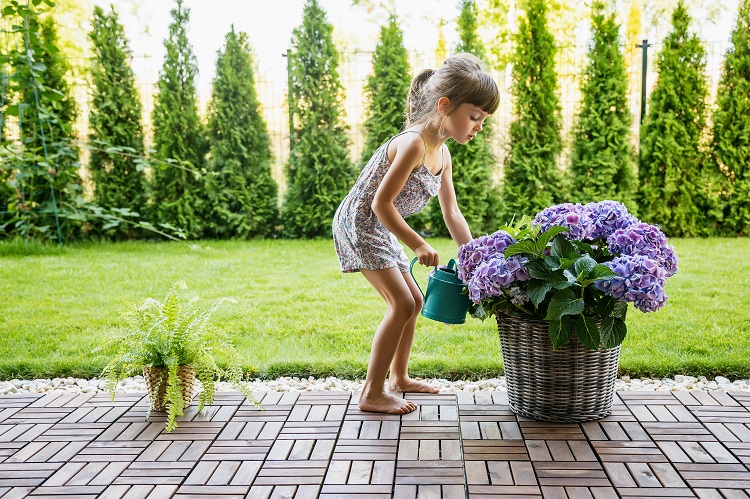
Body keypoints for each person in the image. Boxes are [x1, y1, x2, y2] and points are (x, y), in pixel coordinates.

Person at [332, 53, 500, 414]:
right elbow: (380, 204)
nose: (478, 127)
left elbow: (451, 211)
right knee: (403, 303)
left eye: (483, 120)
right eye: (474, 117)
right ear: (444, 105)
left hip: (379, 226)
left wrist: (473, 257)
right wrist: (419, 244)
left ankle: (400, 379)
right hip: (360, 224)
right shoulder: (413, 144)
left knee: (416, 301)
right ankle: (371, 393)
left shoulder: (443, 154)